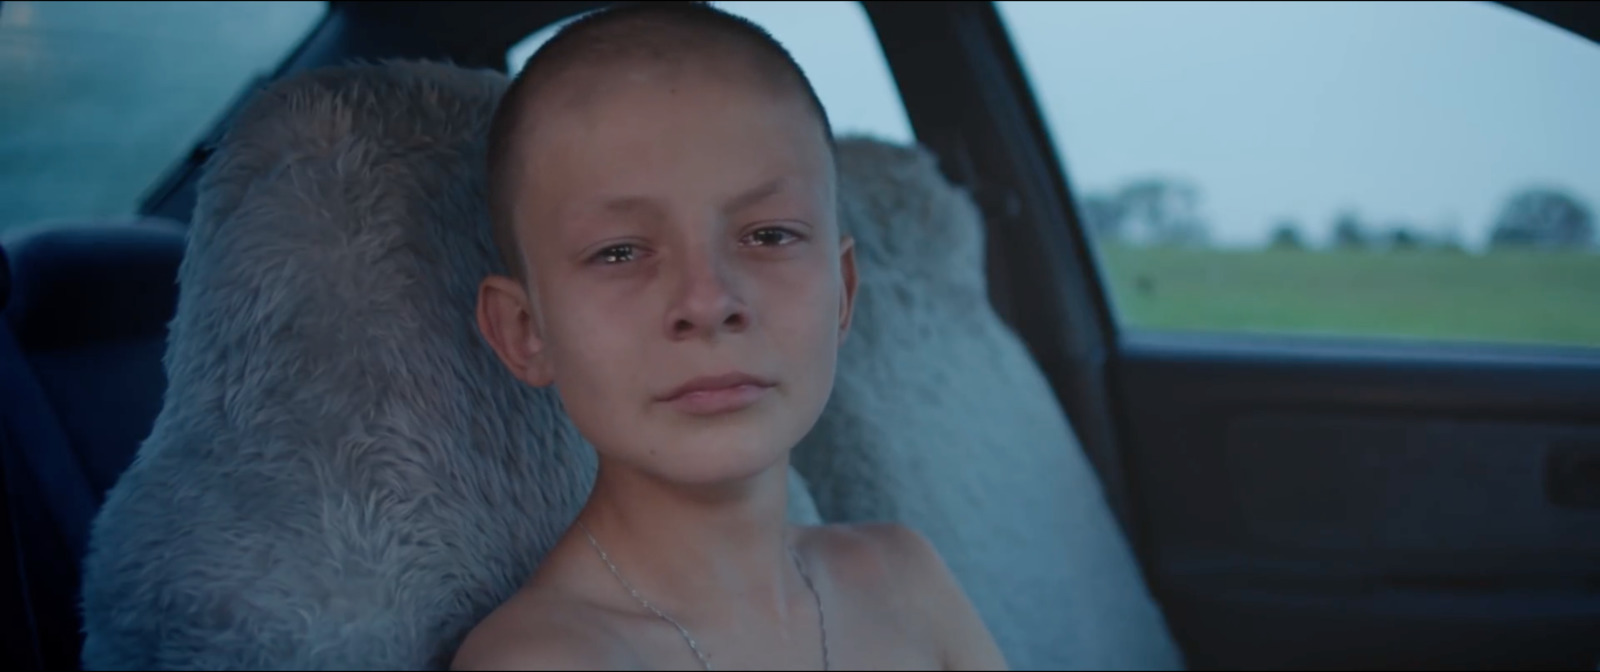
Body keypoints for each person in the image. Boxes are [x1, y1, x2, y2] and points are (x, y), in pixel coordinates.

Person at [453, 2, 1006, 670]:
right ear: (525, 330)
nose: (709, 302)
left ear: (843, 292)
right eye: (621, 252)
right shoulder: (546, 660)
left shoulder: (904, 578)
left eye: (769, 236)